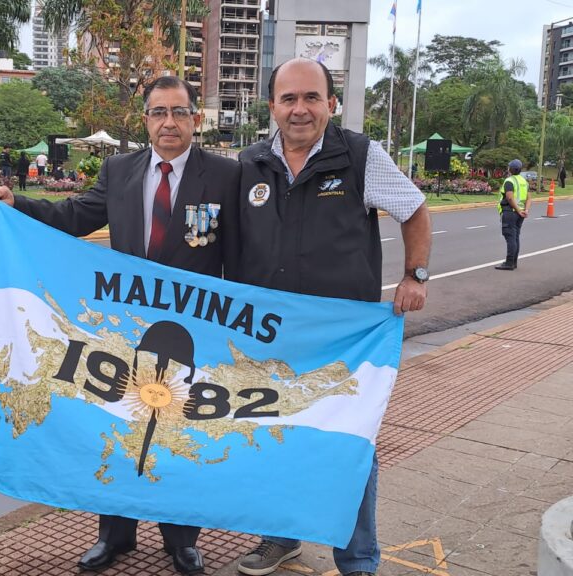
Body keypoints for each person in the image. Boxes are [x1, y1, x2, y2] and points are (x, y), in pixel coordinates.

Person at [0, 75, 241, 576]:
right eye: (159, 112)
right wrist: (21, 207)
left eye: (179, 112)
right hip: (127, 332)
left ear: (196, 119)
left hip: (192, 334)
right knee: (120, 428)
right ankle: (115, 536)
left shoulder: (225, 175)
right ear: (145, 119)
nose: (169, 122)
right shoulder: (120, 169)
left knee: (178, 435)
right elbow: (76, 215)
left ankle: (182, 540)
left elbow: (243, 250)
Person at [233, 58, 431, 576]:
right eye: (288, 99)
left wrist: (415, 276)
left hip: (344, 341)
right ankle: (280, 538)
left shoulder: (360, 156)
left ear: (331, 103)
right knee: (275, 435)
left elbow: (413, 209)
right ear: (272, 106)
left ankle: (358, 558)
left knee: (349, 445)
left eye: (311, 98)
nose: (299, 109)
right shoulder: (251, 162)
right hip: (270, 338)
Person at [495, 159, 530, 271]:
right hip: (520, 213)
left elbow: (509, 198)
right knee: (515, 237)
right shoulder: (524, 181)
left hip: (510, 212)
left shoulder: (509, 181)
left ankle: (509, 263)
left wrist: (518, 210)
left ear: (510, 169)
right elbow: (529, 198)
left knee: (510, 237)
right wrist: (525, 210)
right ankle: (513, 262)